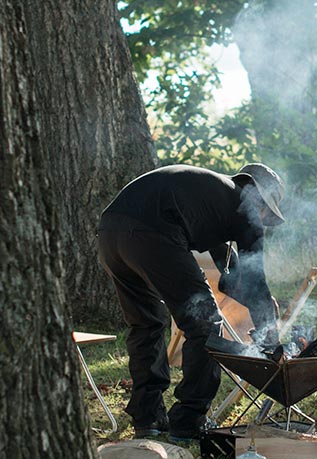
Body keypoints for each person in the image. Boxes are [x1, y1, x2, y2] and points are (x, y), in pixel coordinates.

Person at [98, 163, 285, 441]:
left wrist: (258, 304)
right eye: (266, 211)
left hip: (110, 232)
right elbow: (256, 282)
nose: (263, 219)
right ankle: (188, 420)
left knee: (146, 324)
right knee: (206, 325)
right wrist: (271, 339)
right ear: (259, 199)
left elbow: (231, 275)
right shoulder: (246, 211)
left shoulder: (215, 195)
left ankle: (148, 417)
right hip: (153, 232)